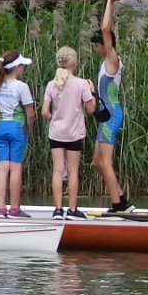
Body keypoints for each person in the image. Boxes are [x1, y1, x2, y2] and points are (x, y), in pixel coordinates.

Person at [88, 0, 131, 215]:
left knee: (106, 163)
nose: (97, 49)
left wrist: (110, 2)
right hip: (105, 115)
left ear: (106, 44)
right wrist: (93, 91)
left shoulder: (112, 58)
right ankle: (122, 199)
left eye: (98, 45)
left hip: (112, 116)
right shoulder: (104, 65)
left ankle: (118, 207)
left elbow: (106, 29)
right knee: (96, 162)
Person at [43, 46, 97, 218]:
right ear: (74, 63)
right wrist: (93, 91)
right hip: (74, 133)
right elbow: (91, 109)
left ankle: (58, 209)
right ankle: (72, 210)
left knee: (57, 170)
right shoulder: (82, 84)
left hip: (56, 133)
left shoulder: (52, 85)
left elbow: (44, 112)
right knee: (73, 171)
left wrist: (53, 119)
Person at [0, 51, 36, 218]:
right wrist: (28, 129)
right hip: (17, 128)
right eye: (22, 65)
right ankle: (14, 208)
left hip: (1, 126)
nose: (23, 67)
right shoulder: (21, 87)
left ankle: (1, 208)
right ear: (16, 68)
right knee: (16, 169)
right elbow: (30, 114)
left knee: (2, 168)